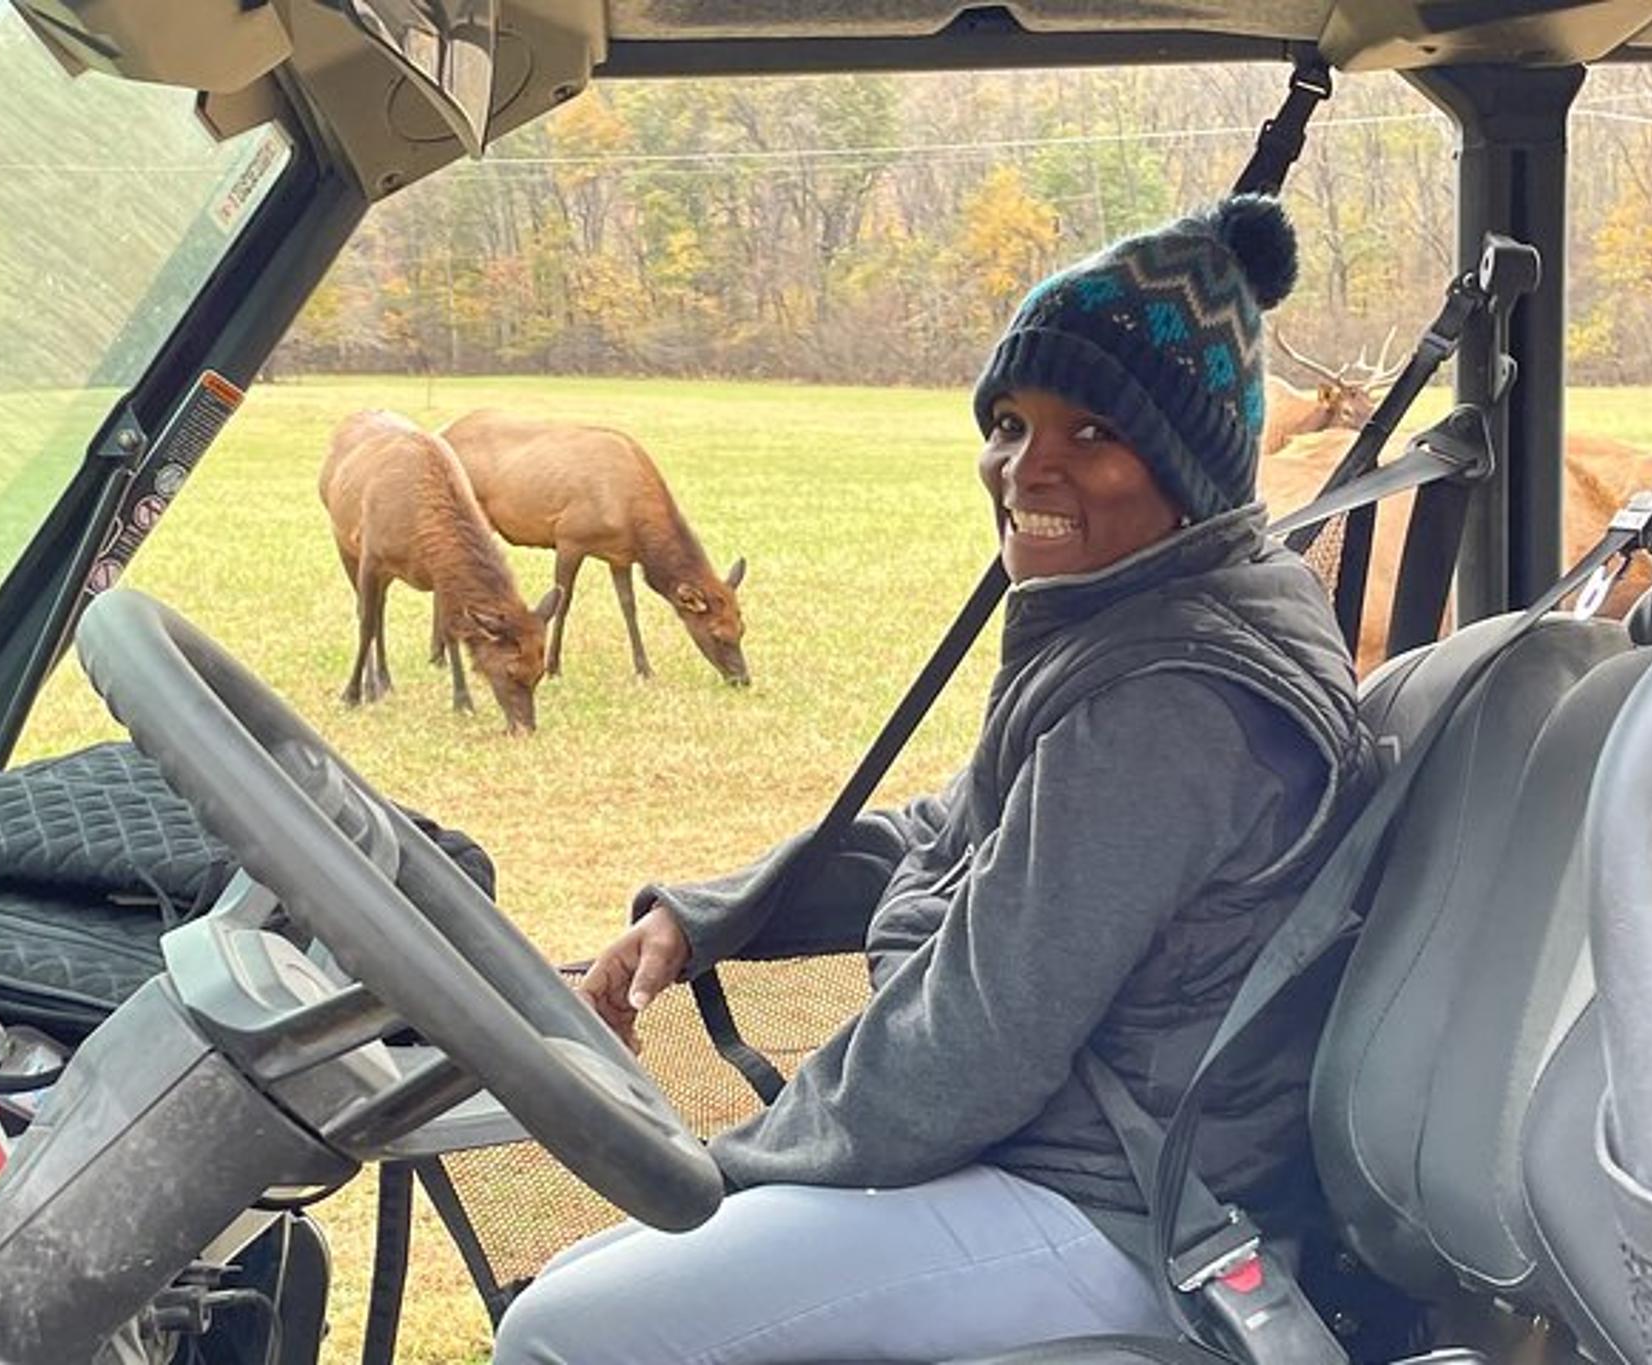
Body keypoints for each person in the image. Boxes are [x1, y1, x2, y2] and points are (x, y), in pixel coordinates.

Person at [492, 194, 1376, 1364]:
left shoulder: (1171, 701)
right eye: (1009, 422)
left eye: (1092, 434)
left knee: (566, 1332)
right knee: (582, 1283)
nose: (1024, 469)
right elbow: (948, 829)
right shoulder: (1140, 618)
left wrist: (737, 1162)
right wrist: (702, 918)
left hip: (1119, 1208)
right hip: (1062, 1155)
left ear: (1186, 463)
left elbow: (973, 1044)